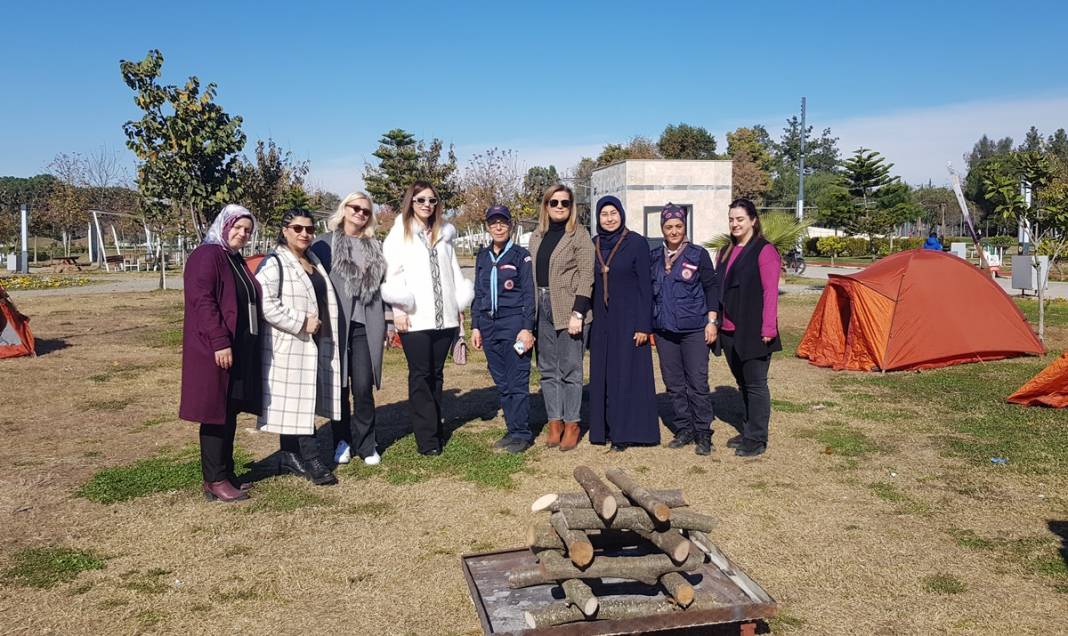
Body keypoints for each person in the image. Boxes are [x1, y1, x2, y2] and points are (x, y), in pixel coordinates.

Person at [381, 181, 474, 456]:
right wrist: (398, 310)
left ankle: (435, 426)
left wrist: (459, 305)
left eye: (432, 200)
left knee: (437, 374)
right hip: (415, 318)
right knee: (420, 376)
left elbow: (455, 272)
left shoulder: (444, 236)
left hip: (444, 318)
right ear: (411, 201)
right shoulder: (400, 235)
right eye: (421, 200)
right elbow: (393, 274)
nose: (426, 205)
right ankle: (427, 438)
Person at [180, 204, 262, 502]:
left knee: (228, 412)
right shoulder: (208, 255)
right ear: (224, 225)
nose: (242, 234)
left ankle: (225, 473)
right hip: (215, 348)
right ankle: (214, 479)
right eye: (237, 228)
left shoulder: (233, 258)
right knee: (215, 414)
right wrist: (219, 341)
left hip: (237, 346)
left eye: (247, 231)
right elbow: (203, 301)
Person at [256, 210, 343, 485]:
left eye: (309, 229)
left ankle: (289, 455)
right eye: (297, 228)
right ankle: (313, 458)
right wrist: (300, 321)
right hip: (290, 342)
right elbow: (264, 303)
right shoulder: (274, 263)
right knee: (300, 400)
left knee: (296, 401)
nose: (304, 234)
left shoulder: (312, 260)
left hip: (314, 341)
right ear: (285, 231)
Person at [310, 192, 387, 467]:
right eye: (355, 208)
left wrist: (388, 322)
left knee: (363, 386)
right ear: (344, 210)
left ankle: (367, 443)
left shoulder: (375, 247)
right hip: (335, 325)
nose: (360, 214)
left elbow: (383, 288)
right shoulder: (323, 244)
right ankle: (341, 440)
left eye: (366, 211)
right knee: (338, 385)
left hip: (366, 325)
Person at [588, 196, 659, 451]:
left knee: (626, 375)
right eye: (604, 214)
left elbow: (645, 287)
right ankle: (603, 429)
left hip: (629, 319)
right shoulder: (593, 243)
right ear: (598, 218)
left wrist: (643, 325)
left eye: (613, 213)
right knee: (603, 375)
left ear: (621, 214)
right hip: (602, 320)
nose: (609, 218)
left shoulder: (636, 243)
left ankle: (627, 431)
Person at [527, 184, 595, 451]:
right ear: (546, 206)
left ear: (571, 207)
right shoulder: (536, 236)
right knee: (547, 369)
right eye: (553, 203)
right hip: (540, 307)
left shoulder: (579, 235)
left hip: (569, 309)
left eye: (564, 203)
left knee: (570, 369)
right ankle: (554, 421)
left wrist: (578, 312)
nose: (559, 207)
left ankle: (572, 422)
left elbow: (587, 276)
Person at [650, 203, 720, 456]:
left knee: (697, 383)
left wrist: (711, 322)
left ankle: (703, 432)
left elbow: (712, 288)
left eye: (678, 226)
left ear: (684, 226)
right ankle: (684, 428)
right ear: (662, 229)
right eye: (668, 227)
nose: (674, 231)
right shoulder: (654, 257)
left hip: (694, 330)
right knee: (674, 384)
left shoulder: (698, 254)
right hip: (664, 331)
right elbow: (648, 294)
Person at [716, 198, 781, 458]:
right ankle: (748, 429)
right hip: (729, 329)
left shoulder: (764, 251)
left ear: (753, 220)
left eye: (740, 219)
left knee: (755, 384)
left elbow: (770, 292)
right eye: (731, 219)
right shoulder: (725, 251)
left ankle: (757, 438)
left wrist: (768, 328)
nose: (735, 224)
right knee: (742, 383)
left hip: (754, 329)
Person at [470, 205, 536, 453]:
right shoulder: (482, 256)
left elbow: (529, 295)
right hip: (489, 326)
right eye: (493, 222)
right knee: (502, 382)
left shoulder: (521, 255)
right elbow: (478, 293)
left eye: (503, 222)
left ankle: (521, 434)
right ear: (487, 226)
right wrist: (475, 326)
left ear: (510, 225)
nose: (498, 227)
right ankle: (512, 429)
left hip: (513, 324)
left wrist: (527, 328)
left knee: (517, 379)